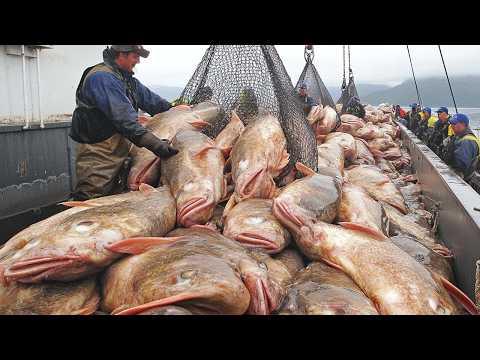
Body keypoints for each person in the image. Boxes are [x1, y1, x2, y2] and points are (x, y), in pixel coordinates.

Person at [70, 45, 182, 201]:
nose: (138, 62)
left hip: (120, 149)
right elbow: (124, 120)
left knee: (114, 198)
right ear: (121, 54)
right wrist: (156, 145)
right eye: (135, 56)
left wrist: (176, 110)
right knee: (91, 198)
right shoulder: (101, 78)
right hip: (98, 153)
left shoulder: (128, 81)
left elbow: (153, 102)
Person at [444, 113, 480, 182]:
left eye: (454, 123)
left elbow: (460, 167)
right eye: (451, 123)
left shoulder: (467, 141)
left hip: (462, 179)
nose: (452, 126)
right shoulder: (459, 136)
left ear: (463, 124)